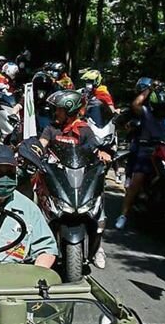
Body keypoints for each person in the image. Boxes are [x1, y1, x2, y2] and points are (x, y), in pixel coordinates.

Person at [36, 90, 111, 269]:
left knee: (97, 201)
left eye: (59, 109)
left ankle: (98, 246)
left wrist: (102, 154)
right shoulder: (51, 129)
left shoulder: (84, 130)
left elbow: (94, 149)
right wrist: (34, 151)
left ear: (70, 110)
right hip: (57, 178)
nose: (56, 112)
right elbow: (42, 144)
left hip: (79, 178)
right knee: (36, 198)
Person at [115, 79, 165, 229]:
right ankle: (123, 214)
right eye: (159, 107)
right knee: (137, 180)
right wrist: (149, 90)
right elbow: (135, 104)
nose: (162, 111)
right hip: (147, 152)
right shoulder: (146, 113)